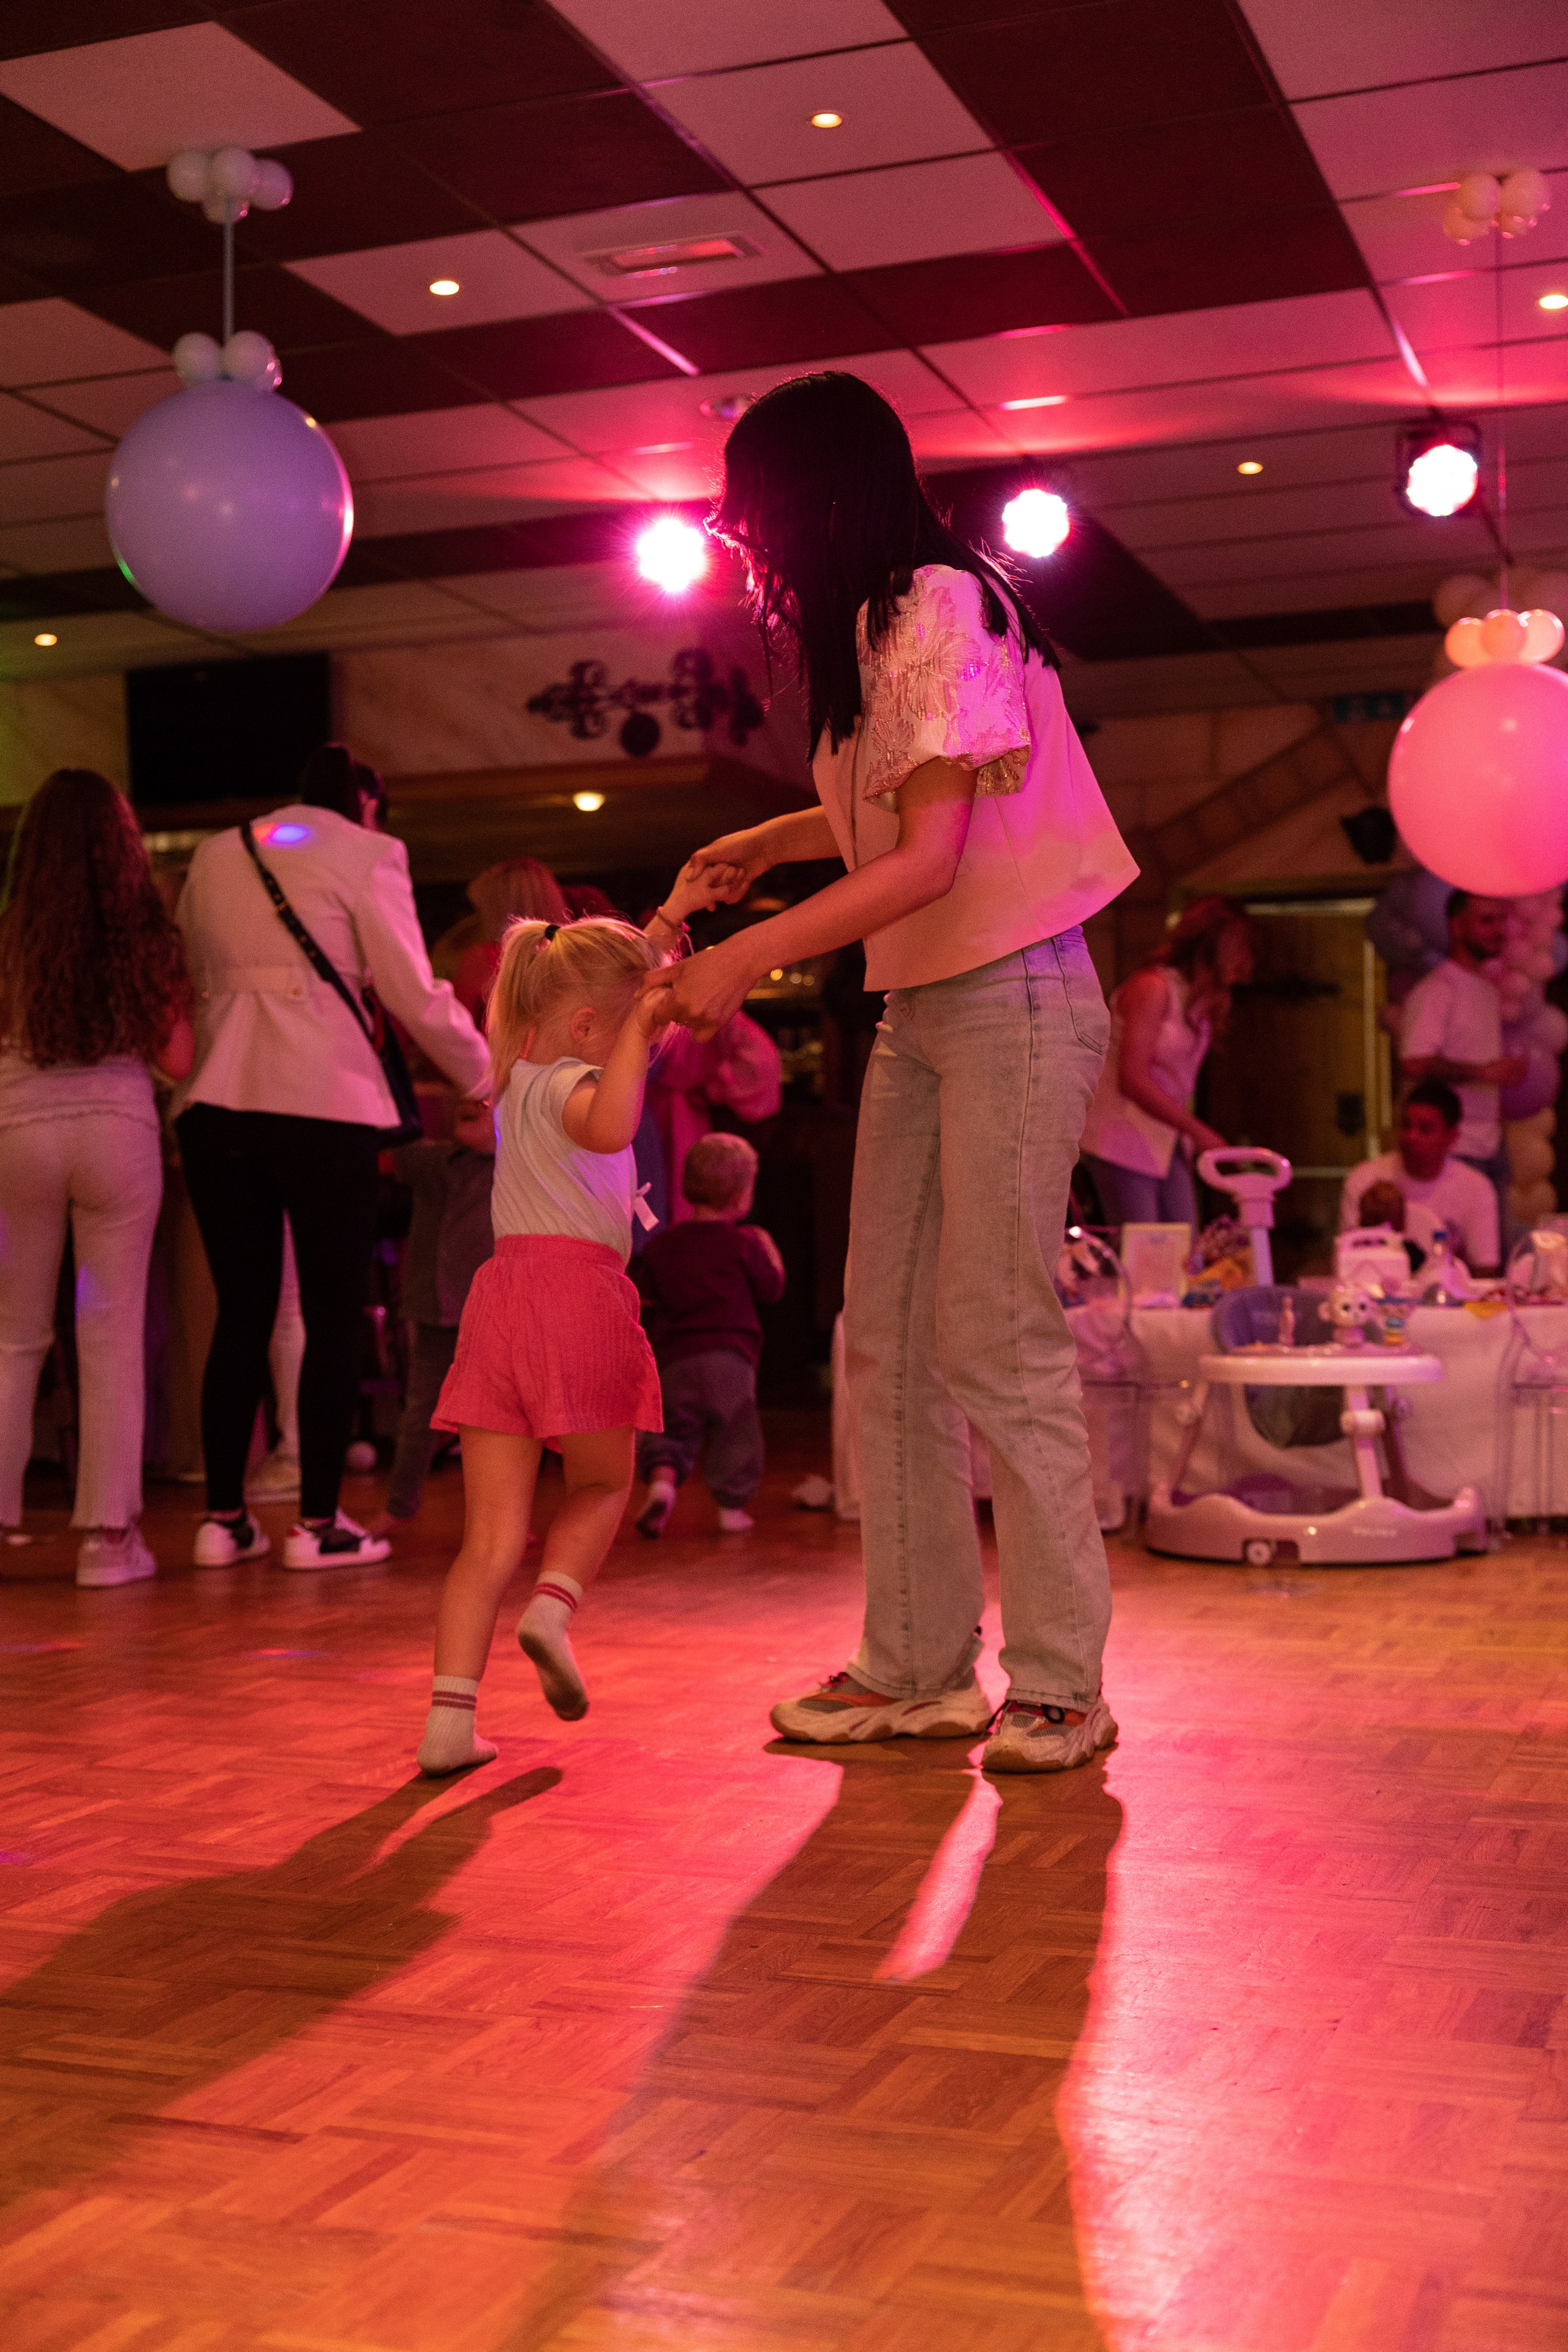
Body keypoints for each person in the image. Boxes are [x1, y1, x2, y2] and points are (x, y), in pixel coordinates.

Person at [657, 371, 1139, 1776]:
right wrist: (769, 841)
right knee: (883, 1339)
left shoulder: (935, 600)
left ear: (808, 492)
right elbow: (894, 812)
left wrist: (741, 956)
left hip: (1012, 989)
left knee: (992, 1331)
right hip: (927, 1004)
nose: (741, 540)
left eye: (752, 509)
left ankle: (1058, 1683)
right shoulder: (882, 622)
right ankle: (916, 1667)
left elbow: (932, 858)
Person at [413, 880, 722, 1776]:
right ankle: (553, 1605)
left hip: (500, 1300)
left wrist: (665, 928)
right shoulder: (581, 1089)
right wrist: (636, 1021)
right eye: (631, 1029)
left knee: (487, 1539)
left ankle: (448, 1720)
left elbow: (634, 1018)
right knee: (598, 1485)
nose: (648, 1041)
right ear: (591, 1030)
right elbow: (612, 1117)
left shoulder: (515, 1077)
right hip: (576, 1299)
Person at [173, 741, 491, 1571]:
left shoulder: (215, 853)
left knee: (240, 1312)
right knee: (331, 1313)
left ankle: (222, 1521)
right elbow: (412, 991)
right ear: (367, 802)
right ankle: (317, 1526)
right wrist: (492, 1075)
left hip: (213, 1105)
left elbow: (190, 972)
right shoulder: (370, 851)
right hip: (320, 1105)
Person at [0, 769, 194, 1586]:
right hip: (118, 1123)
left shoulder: (9, 932)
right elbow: (177, 1058)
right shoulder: (144, 933)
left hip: (17, 1127)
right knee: (111, 1334)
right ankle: (107, 1545)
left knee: (13, 1337)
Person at [634, 1133, 786, 1538]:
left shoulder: (662, 1246)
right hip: (729, 1358)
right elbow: (771, 1289)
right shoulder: (744, 1243)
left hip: (675, 1360)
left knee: (670, 1429)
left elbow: (644, 1297)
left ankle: (662, 1485)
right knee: (735, 1430)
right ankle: (731, 1508)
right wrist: (769, 1250)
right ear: (741, 1195)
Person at [1077, 895, 1255, 1236]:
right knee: (1147, 1252)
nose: (1244, 959)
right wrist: (1199, 1131)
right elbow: (1132, 1079)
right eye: (1238, 946)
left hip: (1165, 1141)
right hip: (1122, 1137)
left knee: (1184, 1250)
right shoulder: (1153, 988)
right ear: (1209, 943)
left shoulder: (1200, 1000)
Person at [372, 1096, 497, 1531]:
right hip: (437, 1310)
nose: (475, 1104)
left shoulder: (516, 1167)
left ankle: (500, 1518)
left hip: (491, 1313)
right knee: (419, 1417)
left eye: (488, 1102)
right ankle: (399, 1506)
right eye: (469, 1102)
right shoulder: (433, 1163)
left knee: (501, 1424)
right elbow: (396, 1139)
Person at [1398, 891, 1524, 1247]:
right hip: (1452, 1152)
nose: (1498, 930)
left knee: (1496, 1263)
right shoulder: (1438, 989)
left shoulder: (1485, 988)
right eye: (1486, 920)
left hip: (1490, 1146)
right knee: (1454, 1270)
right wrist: (1485, 1073)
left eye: (1501, 920)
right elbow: (1414, 1061)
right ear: (1456, 926)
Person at [1338, 1079, 1500, 1274]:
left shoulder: (1476, 1187)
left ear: (1452, 1136)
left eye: (1425, 1129)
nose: (1411, 1137)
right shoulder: (1364, 1179)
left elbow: (1485, 1269)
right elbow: (1346, 1261)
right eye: (1407, 1126)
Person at [645, 1009, 783, 1225]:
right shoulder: (701, 1009)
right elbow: (762, 1065)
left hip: (663, 1117)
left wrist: (714, 1089)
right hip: (652, 1118)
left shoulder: (702, 1009)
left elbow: (762, 1065)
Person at [454, 857, 570, 1023]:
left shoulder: (482, 958)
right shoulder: (571, 952)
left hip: (497, 1049)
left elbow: (460, 1023)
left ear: (496, 908)